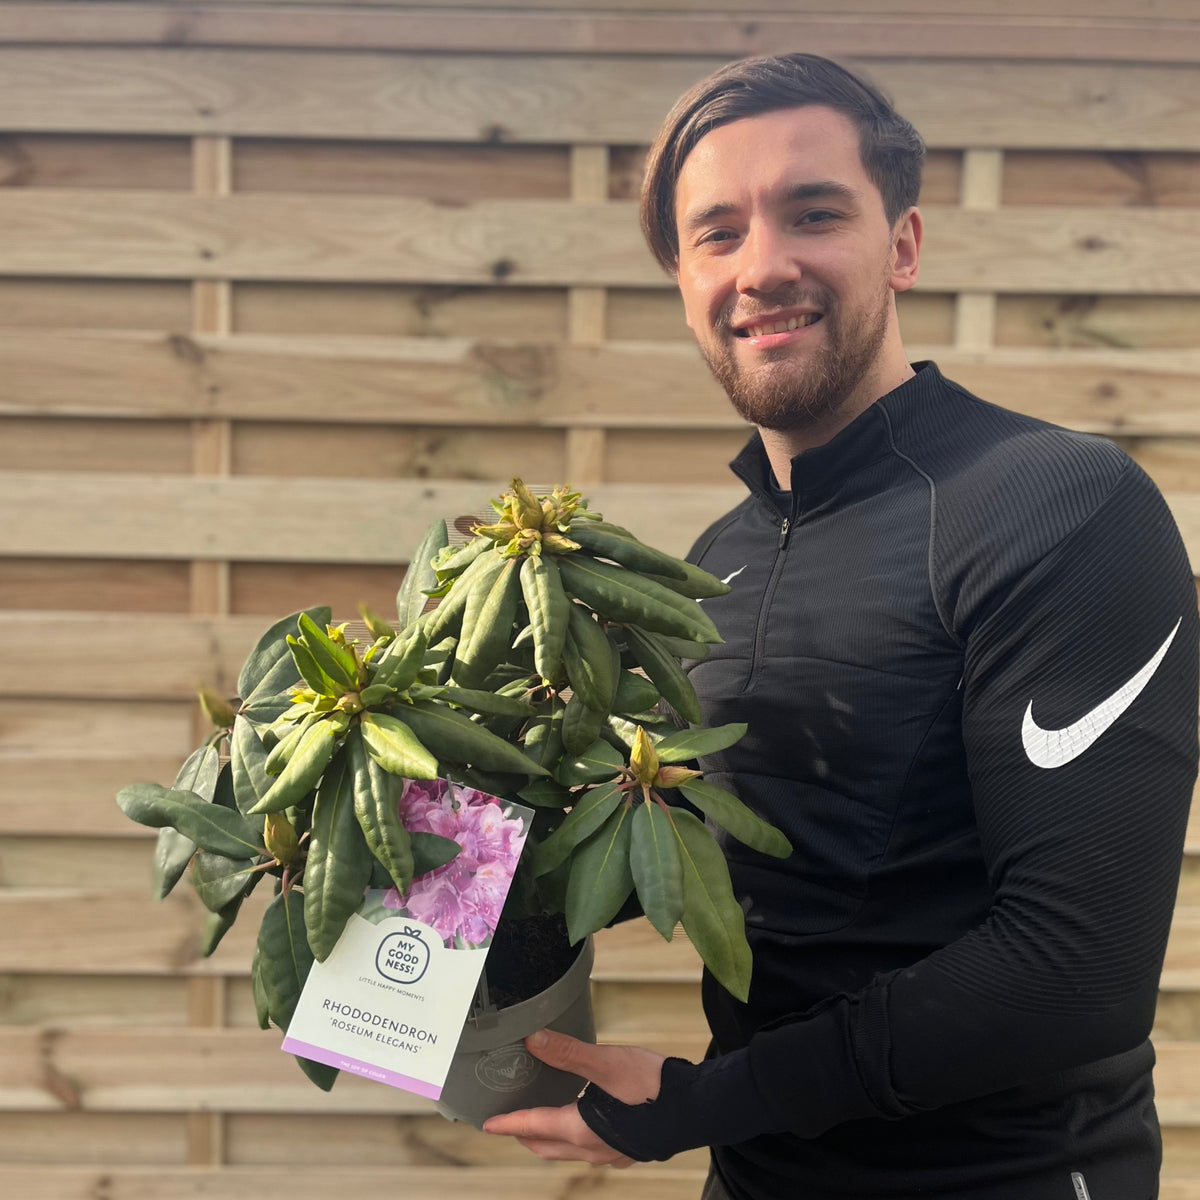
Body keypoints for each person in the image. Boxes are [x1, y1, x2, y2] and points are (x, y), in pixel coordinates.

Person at [483, 53, 1200, 1199]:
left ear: (903, 245)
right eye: (715, 233)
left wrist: (700, 1103)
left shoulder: (1057, 505)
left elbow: (1073, 972)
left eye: (813, 213)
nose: (762, 266)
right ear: (683, 278)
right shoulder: (713, 567)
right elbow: (750, 865)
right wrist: (412, 845)